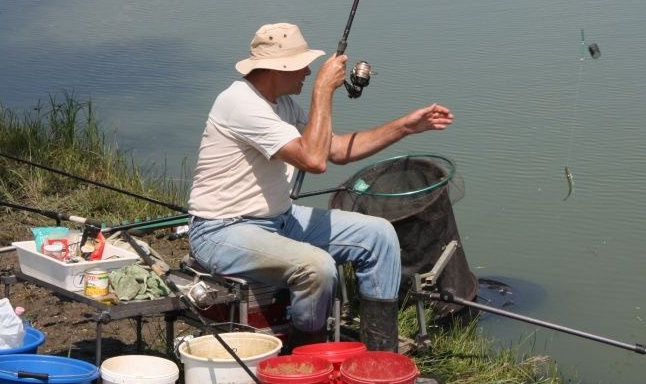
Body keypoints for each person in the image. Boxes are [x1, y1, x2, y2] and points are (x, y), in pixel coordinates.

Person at [187, 22, 454, 352]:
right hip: (221, 231)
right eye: (302, 66)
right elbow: (313, 161)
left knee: (379, 236)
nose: (309, 71)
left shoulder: (281, 103)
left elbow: (337, 149)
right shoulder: (241, 104)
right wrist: (323, 91)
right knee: (317, 267)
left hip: (278, 220)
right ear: (278, 69)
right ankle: (308, 358)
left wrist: (405, 127)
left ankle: (379, 358)